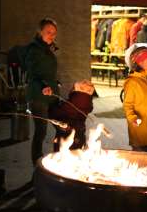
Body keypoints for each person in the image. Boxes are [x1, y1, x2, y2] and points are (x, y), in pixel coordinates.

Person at [22, 18, 59, 165]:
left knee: (62, 126)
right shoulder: (34, 49)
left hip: (52, 94)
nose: (52, 35)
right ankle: (37, 162)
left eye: (54, 33)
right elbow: (32, 72)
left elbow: (49, 71)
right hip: (38, 95)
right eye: (48, 32)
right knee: (41, 131)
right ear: (39, 32)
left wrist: (56, 83)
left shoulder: (49, 48)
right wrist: (44, 85)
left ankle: (61, 156)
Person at [48, 79, 97, 151]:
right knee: (76, 156)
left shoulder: (69, 104)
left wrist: (53, 104)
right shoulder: (87, 104)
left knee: (62, 157)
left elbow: (53, 114)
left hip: (65, 137)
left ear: (76, 90)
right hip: (80, 136)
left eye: (73, 88)